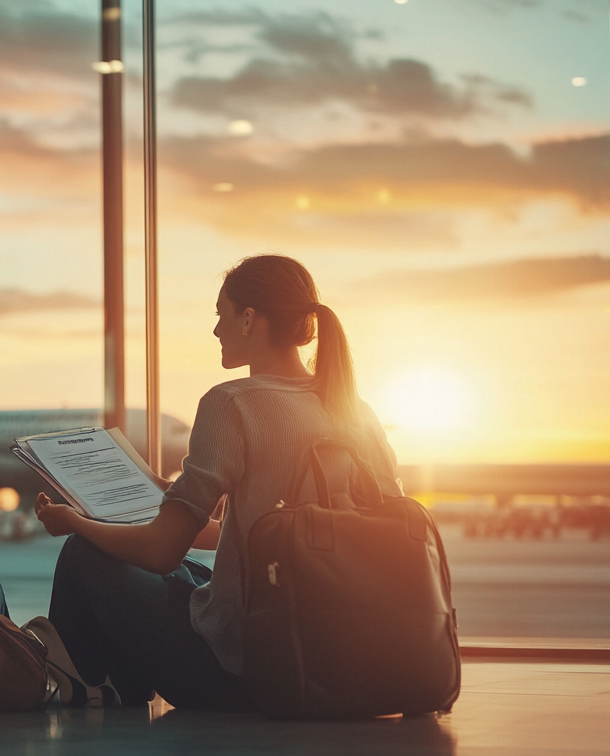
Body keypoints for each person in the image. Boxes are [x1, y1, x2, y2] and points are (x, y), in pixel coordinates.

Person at [30, 254, 400, 710]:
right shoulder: (355, 409)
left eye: (221, 315)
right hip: (337, 658)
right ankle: (107, 681)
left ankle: (86, 683)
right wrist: (162, 485)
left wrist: (77, 523)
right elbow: (279, 534)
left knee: (86, 554)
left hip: (243, 671)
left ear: (249, 319)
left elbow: (161, 549)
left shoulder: (232, 404)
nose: (216, 330)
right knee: (188, 573)